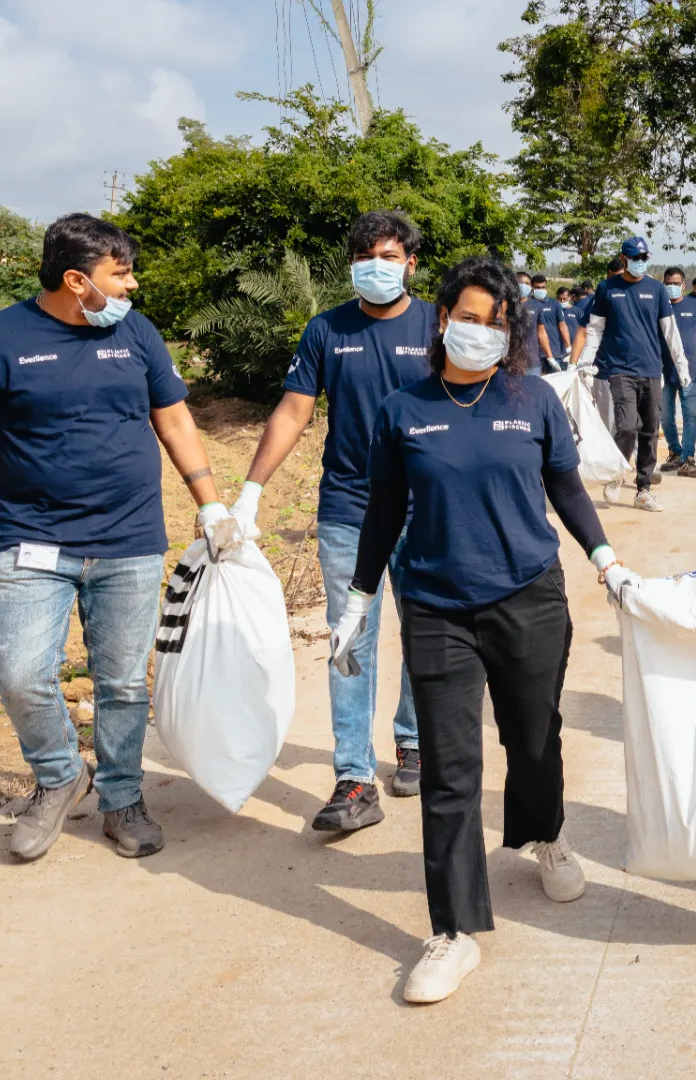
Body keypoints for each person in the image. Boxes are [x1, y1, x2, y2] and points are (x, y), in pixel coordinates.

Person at [0, 213, 239, 862]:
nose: (132, 286)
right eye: (119, 275)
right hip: (32, 539)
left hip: (129, 539)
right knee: (18, 672)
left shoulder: (137, 334)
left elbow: (174, 418)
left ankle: (123, 797)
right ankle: (61, 775)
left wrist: (210, 504)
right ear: (77, 281)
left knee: (122, 682)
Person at [336, 256, 640, 1004]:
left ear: (513, 333)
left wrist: (607, 561)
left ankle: (545, 833)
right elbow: (381, 513)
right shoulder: (403, 409)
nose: (479, 332)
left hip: (528, 596)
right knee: (449, 767)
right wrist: (356, 601)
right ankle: (454, 929)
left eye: (496, 323)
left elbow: (564, 485)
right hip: (437, 606)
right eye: (468, 319)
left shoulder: (531, 398)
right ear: (442, 321)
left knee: (534, 738)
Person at [231, 210, 431, 831]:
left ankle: (414, 740)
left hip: (429, 506)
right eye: (368, 255)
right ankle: (352, 778)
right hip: (349, 508)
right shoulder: (327, 330)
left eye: (391, 255)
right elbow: (293, 411)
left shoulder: (439, 324)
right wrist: (250, 491)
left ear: (411, 264)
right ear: (352, 264)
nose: (379, 265)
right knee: (349, 640)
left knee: (427, 630)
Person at [579, 241, 689, 504]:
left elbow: (670, 332)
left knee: (650, 430)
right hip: (620, 370)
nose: (641, 261)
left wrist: (681, 365)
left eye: (644, 256)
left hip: (652, 369)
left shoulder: (656, 289)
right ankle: (618, 472)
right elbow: (595, 330)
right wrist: (585, 360)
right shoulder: (607, 289)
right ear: (623, 258)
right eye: (636, 256)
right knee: (627, 425)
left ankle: (643, 488)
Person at [659, 266, 696, 477]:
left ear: (683, 285)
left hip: (691, 371)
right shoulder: (659, 307)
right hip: (665, 371)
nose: (672, 287)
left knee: (690, 415)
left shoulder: (694, 306)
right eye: (669, 283)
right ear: (663, 284)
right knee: (666, 417)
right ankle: (675, 453)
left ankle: (688, 459)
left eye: (676, 283)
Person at [526, 273, 569, 373]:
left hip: (553, 351)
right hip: (533, 354)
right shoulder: (527, 304)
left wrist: (568, 346)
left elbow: (562, 326)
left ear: (546, 288)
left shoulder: (555, 304)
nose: (540, 290)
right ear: (532, 288)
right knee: (534, 385)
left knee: (554, 384)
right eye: (537, 287)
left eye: (543, 287)